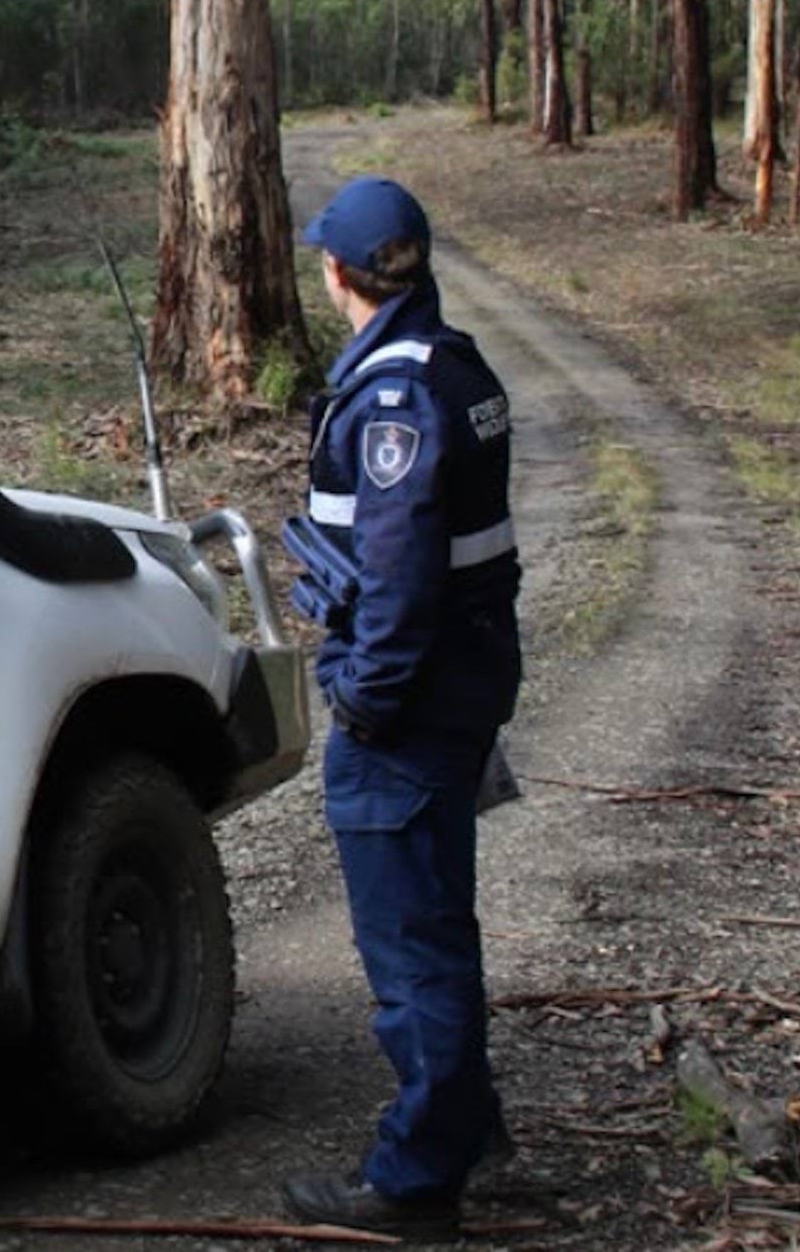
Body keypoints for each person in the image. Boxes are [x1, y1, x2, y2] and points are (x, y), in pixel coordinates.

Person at [279, 177, 523, 1243]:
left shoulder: (394, 398)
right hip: (458, 686)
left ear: (336, 273)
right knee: (436, 921)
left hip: (411, 706)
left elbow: (400, 573)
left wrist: (363, 704)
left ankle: (417, 1178)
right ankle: (468, 1129)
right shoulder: (447, 363)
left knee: (411, 944)